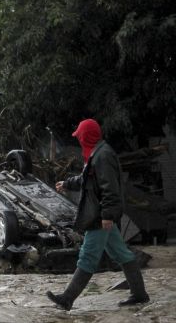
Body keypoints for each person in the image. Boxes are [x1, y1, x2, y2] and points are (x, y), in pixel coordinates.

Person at [47, 119, 149, 310]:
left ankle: (67, 299)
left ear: (86, 136)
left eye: (80, 136)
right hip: (100, 214)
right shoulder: (97, 153)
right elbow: (87, 180)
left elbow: (110, 189)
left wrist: (107, 216)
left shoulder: (103, 156)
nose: (78, 139)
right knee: (122, 254)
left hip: (99, 216)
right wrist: (67, 184)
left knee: (88, 257)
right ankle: (139, 294)